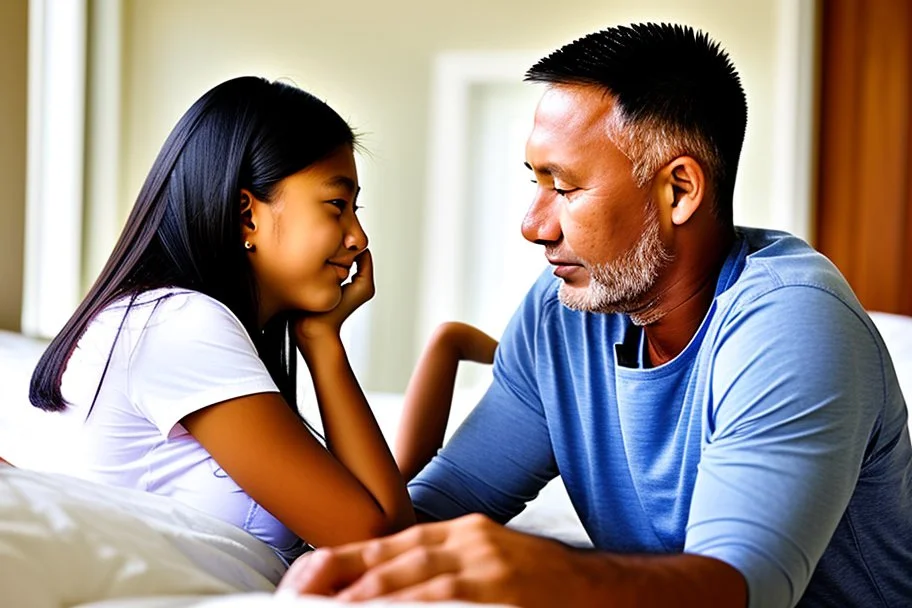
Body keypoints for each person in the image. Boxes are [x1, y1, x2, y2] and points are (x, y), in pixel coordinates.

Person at [277, 22, 912, 607]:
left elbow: (742, 589)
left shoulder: (793, 321)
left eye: (565, 186)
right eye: (535, 181)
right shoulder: (562, 315)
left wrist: (553, 569)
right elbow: (441, 505)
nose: (532, 225)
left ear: (679, 190)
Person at [29, 76, 418, 563]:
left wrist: (321, 340)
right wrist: (324, 348)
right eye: (337, 206)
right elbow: (382, 544)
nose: (358, 238)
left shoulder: (176, 320)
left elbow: (389, 531)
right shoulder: (177, 324)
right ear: (246, 214)